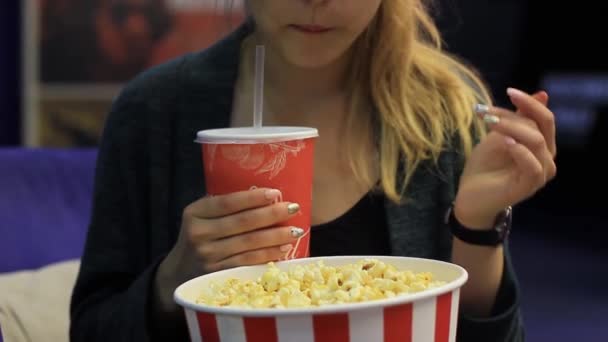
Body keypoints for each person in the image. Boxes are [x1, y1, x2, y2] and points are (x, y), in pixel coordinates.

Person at [69, 1, 557, 341]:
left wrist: (475, 224)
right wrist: (174, 278)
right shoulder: (153, 111)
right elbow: (91, 329)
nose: (316, 0)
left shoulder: (443, 112)